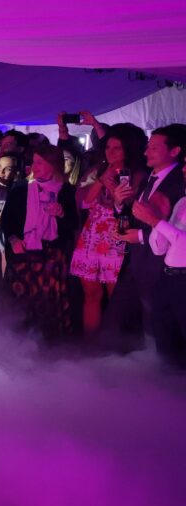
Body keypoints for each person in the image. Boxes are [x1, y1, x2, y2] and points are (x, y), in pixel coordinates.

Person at [104, 125, 185, 351]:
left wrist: (139, 235)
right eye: (147, 146)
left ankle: (157, 366)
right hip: (137, 261)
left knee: (155, 325)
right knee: (120, 318)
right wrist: (119, 203)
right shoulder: (150, 177)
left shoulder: (180, 181)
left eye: (154, 147)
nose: (147, 152)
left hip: (161, 265)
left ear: (175, 151)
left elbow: (178, 228)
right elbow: (138, 215)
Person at [69, 125, 146, 338]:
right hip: (92, 235)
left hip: (118, 237)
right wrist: (101, 180)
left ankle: (115, 346)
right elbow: (84, 202)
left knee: (117, 297)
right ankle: (91, 343)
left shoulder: (138, 174)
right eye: (108, 147)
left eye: (117, 148)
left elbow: (132, 208)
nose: (110, 152)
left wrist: (113, 187)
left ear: (129, 149)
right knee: (91, 294)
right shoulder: (98, 169)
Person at [1, 144, 80, 339]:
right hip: (23, 256)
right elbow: (7, 221)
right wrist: (13, 240)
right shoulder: (20, 190)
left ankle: (49, 346)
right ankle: (20, 344)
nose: (34, 167)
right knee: (21, 306)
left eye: (40, 163)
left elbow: (73, 225)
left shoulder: (66, 191)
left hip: (51, 257)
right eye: (34, 162)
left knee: (48, 305)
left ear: (53, 165)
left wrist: (61, 214)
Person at [133, 172, 186, 368]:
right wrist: (156, 220)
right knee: (165, 341)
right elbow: (159, 248)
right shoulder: (182, 202)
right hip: (168, 278)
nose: (184, 169)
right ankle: (167, 380)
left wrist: (155, 221)